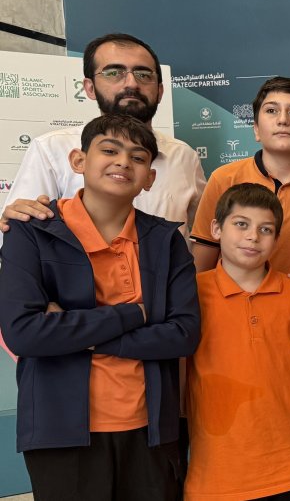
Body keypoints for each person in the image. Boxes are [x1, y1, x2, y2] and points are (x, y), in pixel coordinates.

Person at [0, 114, 200, 500]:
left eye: (138, 157)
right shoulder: (31, 230)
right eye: (109, 150)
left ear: (150, 178)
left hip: (150, 429)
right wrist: (133, 314)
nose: (123, 162)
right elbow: (24, 333)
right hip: (61, 431)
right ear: (78, 161)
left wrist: (81, 336)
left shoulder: (165, 239)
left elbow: (183, 335)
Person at [186, 183, 290, 500]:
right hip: (216, 472)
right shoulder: (190, 295)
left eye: (265, 229)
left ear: (277, 240)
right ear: (216, 228)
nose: (253, 236)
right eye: (241, 224)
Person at [0, 33, 206, 245]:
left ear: (160, 90)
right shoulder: (52, 149)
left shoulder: (184, 156)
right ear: (89, 88)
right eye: (114, 72)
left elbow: (205, 237)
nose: (132, 83)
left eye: (143, 74)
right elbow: (20, 232)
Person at [190, 77, 290, 289]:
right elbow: (201, 271)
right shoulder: (224, 179)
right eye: (271, 111)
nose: (282, 120)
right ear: (256, 129)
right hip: (230, 313)